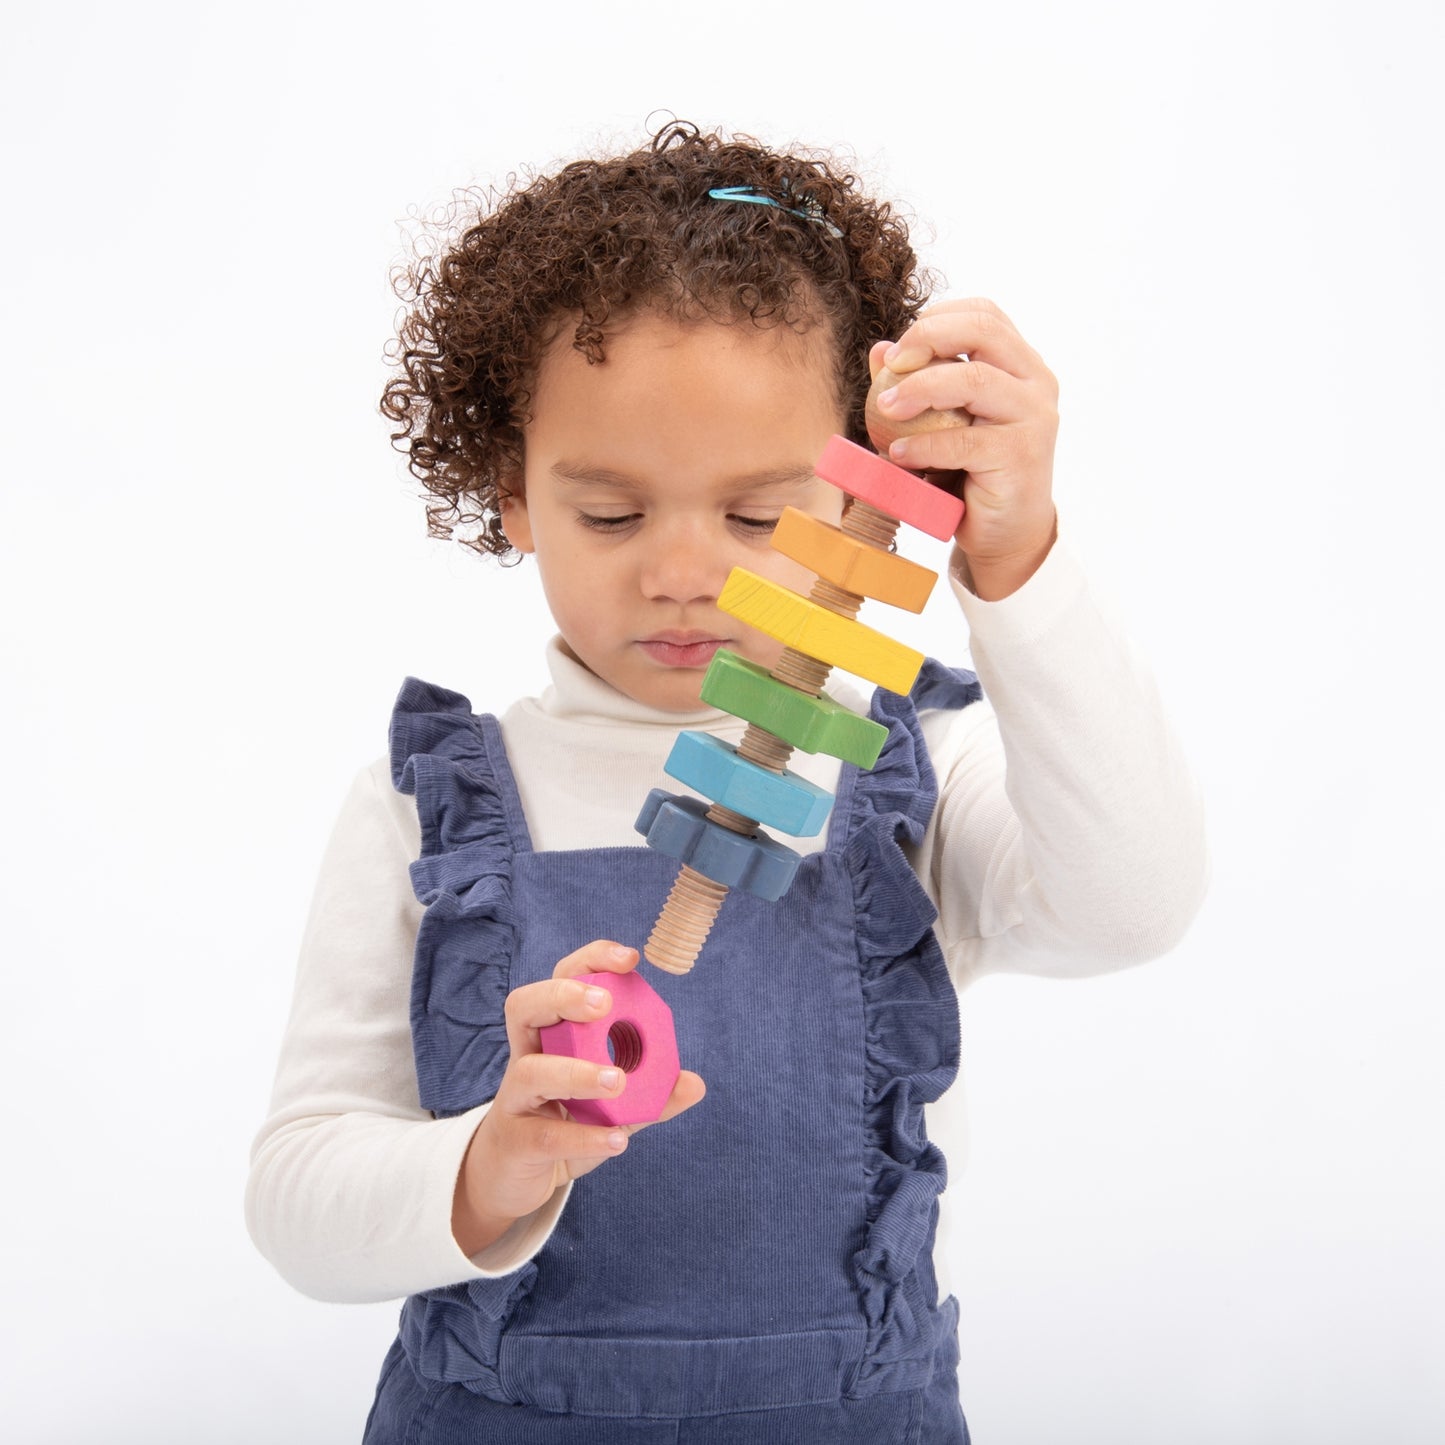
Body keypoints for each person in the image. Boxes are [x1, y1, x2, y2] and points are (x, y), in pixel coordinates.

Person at [246, 119, 1207, 1443]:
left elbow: (1131, 903)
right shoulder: (428, 805)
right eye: (609, 511)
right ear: (511, 492)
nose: (684, 569)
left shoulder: (903, 757)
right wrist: (486, 1166)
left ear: (867, 493)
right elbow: (299, 1196)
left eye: (758, 514)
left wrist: (1018, 566)